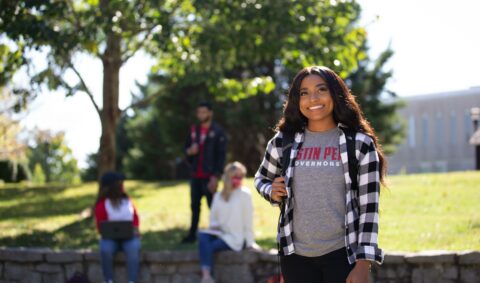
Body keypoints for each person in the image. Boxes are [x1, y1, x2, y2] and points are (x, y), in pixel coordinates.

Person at [254, 66, 386, 283]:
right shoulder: (283, 141)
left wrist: (363, 264)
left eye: (321, 90)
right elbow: (261, 179)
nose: (312, 98)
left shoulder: (359, 145)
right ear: (297, 100)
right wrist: (272, 191)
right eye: (304, 93)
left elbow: (369, 209)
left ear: (336, 93)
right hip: (295, 257)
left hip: (343, 255)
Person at [198, 161, 259, 283]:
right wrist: (214, 227)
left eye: (241, 176)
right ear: (228, 177)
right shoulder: (218, 196)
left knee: (209, 246)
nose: (239, 179)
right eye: (236, 176)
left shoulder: (244, 194)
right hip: (220, 233)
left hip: (234, 238)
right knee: (202, 236)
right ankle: (206, 276)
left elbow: (248, 220)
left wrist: (250, 242)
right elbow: (213, 219)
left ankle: (207, 277)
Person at [182, 102, 228, 243]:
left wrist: (216, 176)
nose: (201, 115)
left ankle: (217, 234)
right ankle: (191, 235)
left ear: (210, 113)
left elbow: (221, 157)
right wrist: (190, 151)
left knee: (213, 207)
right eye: (199, 112)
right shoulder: (193, 130)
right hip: (195, 175)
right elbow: (185, 151)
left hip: (210, 177)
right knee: (194, 206)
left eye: (204, 112)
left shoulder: (218, 132)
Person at [94, 172, 141, 283]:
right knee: (106, 249)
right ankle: (108, 280)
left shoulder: (126, 200)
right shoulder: (102, 204)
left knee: (133, 249)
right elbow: (101, 226)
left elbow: (135, 218)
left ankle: (132, 281)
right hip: (110, 238)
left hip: (129, 237)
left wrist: (135, 229)